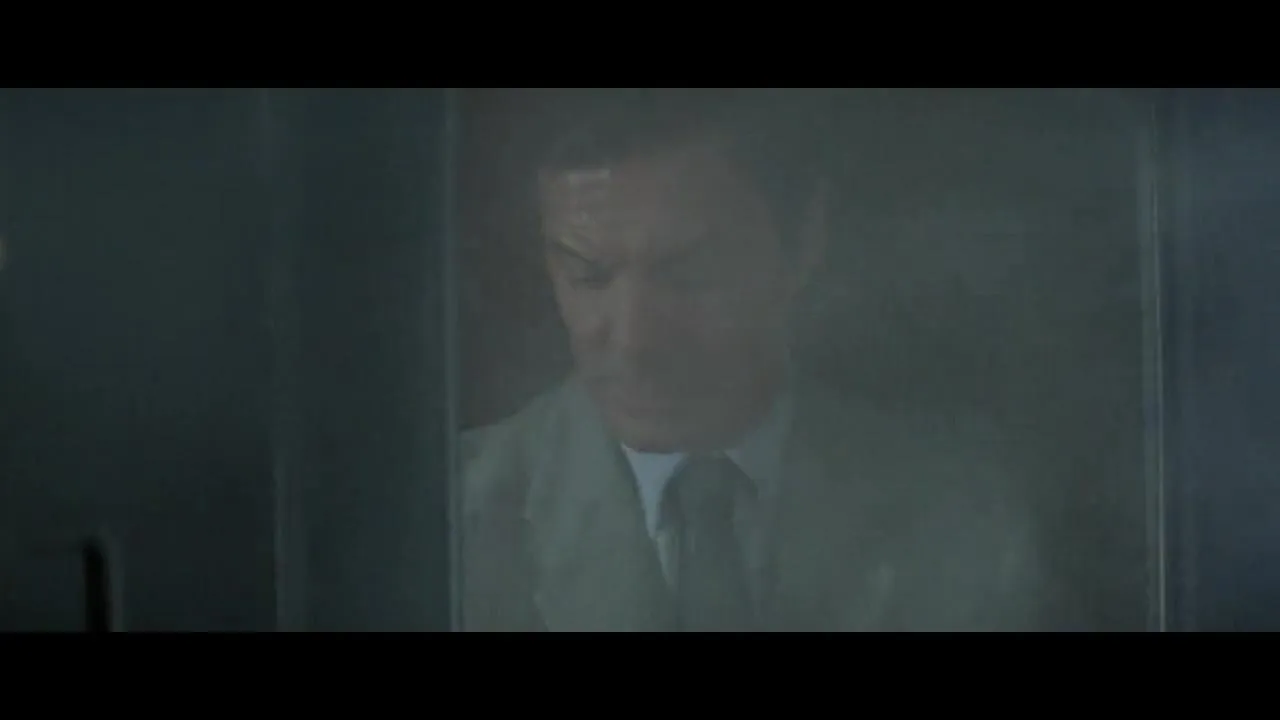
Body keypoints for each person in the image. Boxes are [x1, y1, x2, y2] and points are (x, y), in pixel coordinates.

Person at [459, 89, 1072, 631]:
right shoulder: (454, 520)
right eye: (588, 276)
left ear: (803, 244)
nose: (633, 343)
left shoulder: (959, 519)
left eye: (689, 274)